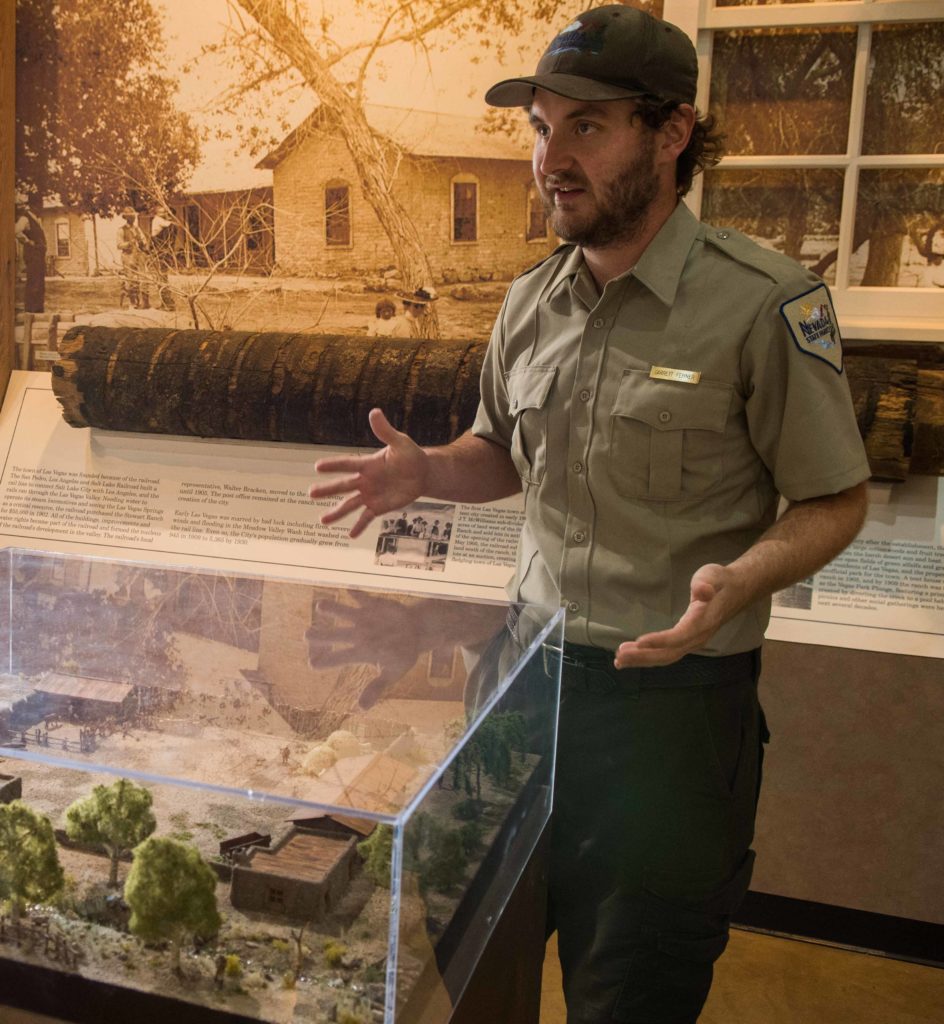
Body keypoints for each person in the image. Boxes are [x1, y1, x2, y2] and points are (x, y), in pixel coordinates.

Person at [309, 7, 869, 1022]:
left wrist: (746, 576)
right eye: (539, 126)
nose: (550, 159)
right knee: (471, 967)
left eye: (587, 128)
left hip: (669, 716)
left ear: (672, 134)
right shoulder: (530, 302)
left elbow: (835, 497)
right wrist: (429, 471)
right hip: (520, 686)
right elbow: (505, 458)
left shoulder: (764, 306)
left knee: (631, 993)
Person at [14, 194, 47, 313]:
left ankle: (38, 310)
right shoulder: (25, 218)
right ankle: (31, 311)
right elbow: (16, 231)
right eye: (38, 205)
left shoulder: (36, 219)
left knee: (40, 282)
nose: (40, 207)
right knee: (33, 282)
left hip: (39, 255)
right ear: (32, 205)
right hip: (32, 255)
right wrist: (28, 242)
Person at [117, 206, 149, 309]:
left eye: (133, 216)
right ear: (126, 218)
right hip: (128, 256)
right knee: (130, 279)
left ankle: (145, 302)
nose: (133, 218)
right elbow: (119, 245)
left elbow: (144, 241)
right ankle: (133, 302)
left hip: (139, 255)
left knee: (143, 277)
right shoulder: (121, 230)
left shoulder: (137, 229)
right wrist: (129, 243)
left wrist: (143, 243)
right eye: (130, 217)